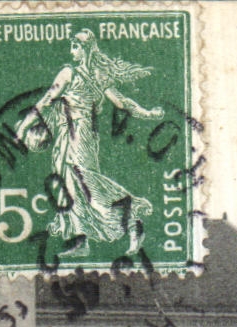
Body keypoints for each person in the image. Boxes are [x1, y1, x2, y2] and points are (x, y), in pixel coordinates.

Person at [12, 30, 164, 257]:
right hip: (84, 135)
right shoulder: (99, 76)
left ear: (85, 49)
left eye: (75, 46)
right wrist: (148, 113)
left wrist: (23, 127)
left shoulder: (68, 73)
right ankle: (81, 240)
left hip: (75, 134)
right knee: (74, 187)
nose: (71, 51)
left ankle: (132, 222)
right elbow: (122, 103)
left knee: (84, 185)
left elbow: (46, 101)